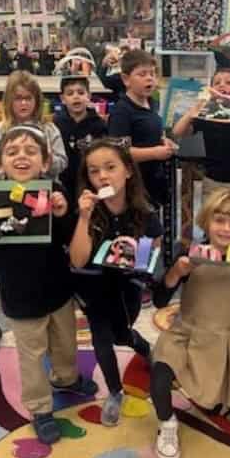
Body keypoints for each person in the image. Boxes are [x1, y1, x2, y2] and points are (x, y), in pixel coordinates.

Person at [0, 124, 98, 444]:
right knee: (31, 355)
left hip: (58, 288)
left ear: (45, 162)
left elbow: (69, 237)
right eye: (12, 152)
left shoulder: (54, 188)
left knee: (66, 342)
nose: (22, 156)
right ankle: (40, 407)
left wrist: (63, 213)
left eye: (31, 151)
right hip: (20, 295)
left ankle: (66, 378)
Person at [149, 188, 230, 458]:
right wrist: (177, 272)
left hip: (219, 341)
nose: (225, 229)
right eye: (219, 220)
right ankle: (167, 425)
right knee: (159, 378)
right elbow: (159, 299)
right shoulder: (190, 253)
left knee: (212, 404)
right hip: (184, 333)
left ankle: (213, 399)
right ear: (207, 220)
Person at [69, 138, 161, 426]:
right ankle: (114, 391)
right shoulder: (88, 211)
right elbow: (78, 260)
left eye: (110, 167)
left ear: (128, 171)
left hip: (127, 289)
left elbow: (153, 247)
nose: (103, 176)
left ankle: (143, 347)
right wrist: (84, 218)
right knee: (102, 339)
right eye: (94, 171)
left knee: (122, 334)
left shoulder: (144, 212)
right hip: (93, 288)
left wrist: (142, 264)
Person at [172, 67, 230, 208]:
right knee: (211, 218)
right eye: (217, 83)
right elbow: (177, 131)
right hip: (213, 180)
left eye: (229, 82)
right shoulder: (207, 114)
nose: (222, 85)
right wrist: (194, 110)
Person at [107, 49, 175, 207]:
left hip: (154, 182)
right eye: (142, 74)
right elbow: (119, 152)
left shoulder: (151, 103)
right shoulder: (122, 111)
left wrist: (164, 141)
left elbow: (149, 133)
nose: (149, 78)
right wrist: (155, 153)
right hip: (135, 187)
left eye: (152, 73)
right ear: (126, 79)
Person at [0, 70, 67, 178]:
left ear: (37, 100)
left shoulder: (49, 129)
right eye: (18, 98)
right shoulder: (0, 130)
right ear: (9, 101)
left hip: (45, 184)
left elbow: (62, 163)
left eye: (28, 98)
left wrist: (48, 158)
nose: (24, 103)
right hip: (10, 186)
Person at [53, 75, 107, 203]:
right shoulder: (57, 123)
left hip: (90, 182)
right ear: (63, 99)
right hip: (64, 182)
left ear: (89, 96)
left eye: (81, 92)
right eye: (70, 93)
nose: (76, 97)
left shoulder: (98, 124)